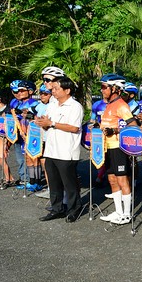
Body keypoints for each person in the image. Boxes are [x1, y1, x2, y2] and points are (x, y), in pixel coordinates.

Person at [36, 77, 84, 222]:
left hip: (66, 151)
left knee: (69, 184)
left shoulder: (75, 106)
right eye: (53, 89)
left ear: (67, 90)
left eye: (56, 88)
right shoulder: (52, 105)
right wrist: (43, 123)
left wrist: (51, 123)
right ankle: (57, 208)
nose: (53, 91)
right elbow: (48, 124)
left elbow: (74, 127)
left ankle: (74, 209)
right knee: (54, 182)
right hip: (51, 150)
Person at [96, 74, 138, 225]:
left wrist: (115, 131)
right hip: (107, 147)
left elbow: (133, 126)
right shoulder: (109, 105)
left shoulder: (121, 105)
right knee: (112, 180)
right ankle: (118, 212)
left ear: (115, 89)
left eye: (104, 87)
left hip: (118, 148)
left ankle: (127, 215)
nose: (102, 90)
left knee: (122, 180)